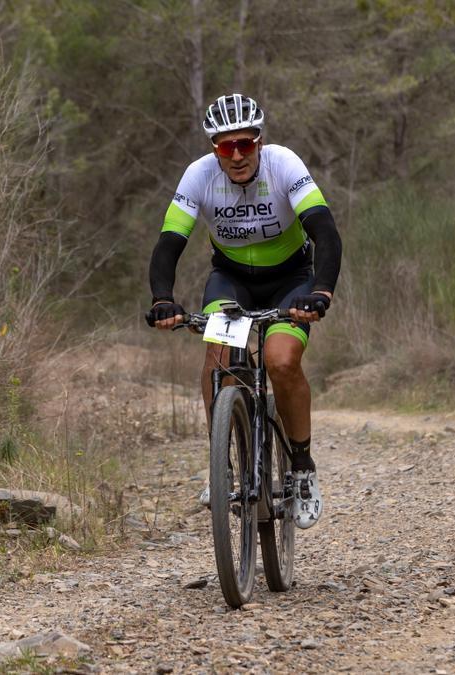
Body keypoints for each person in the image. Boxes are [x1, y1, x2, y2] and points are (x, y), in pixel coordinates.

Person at [146, 93, 342, 529]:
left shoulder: (283, 164)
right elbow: (168, 245)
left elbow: (325, 232)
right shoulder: (199, 176)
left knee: (280, 361)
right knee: (218, 355)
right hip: (231, 282)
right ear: (214, 148)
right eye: (224, 146)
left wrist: (322, 292)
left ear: (259, 140)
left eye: (245, 144)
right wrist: (163, 298)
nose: (236, 155)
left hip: (292, 281)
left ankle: (303, 469)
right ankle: (223, 467)